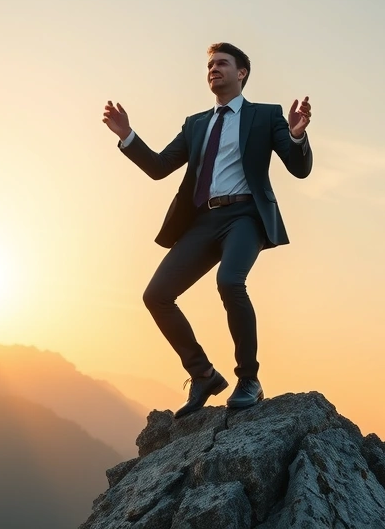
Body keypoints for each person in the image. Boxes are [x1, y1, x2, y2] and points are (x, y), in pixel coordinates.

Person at [102, 42, 313, 418]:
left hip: (246, 216)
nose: (213, 69)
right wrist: (128, 136)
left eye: (222, 63)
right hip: (203, 221)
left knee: (230, 281)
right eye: (210, 65)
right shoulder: (196, 124)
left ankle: (249, 379)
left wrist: (296, 135)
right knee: (157, 295)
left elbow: (299, 169)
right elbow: (158, 167)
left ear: (241, 73)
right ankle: (203, 375)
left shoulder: (266, 116)